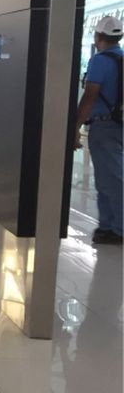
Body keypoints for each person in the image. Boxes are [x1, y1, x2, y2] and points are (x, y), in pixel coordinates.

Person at [74, 15, 123, 245]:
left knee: (112, 179)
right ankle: (108, 226)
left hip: (104, 126)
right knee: (108, 177)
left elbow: (90, 96)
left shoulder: (100, 61)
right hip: (120, 124)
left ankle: (119, 228)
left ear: (97, 37)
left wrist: (74, 126)